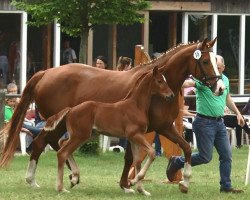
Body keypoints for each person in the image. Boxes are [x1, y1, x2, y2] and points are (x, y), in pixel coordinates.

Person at [166, 55, 244, 193]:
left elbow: (227, 98)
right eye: (214, 67)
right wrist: (172, 78)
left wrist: (238, 113)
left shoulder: (224, 79)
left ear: (223, 68)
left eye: (218, 68)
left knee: (227, 155)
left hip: (219, 123)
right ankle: (177, 162)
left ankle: (226, 186)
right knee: (205, 157)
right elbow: (187, 84)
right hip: (204, 123)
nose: (215, 70)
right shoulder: (204, 78)